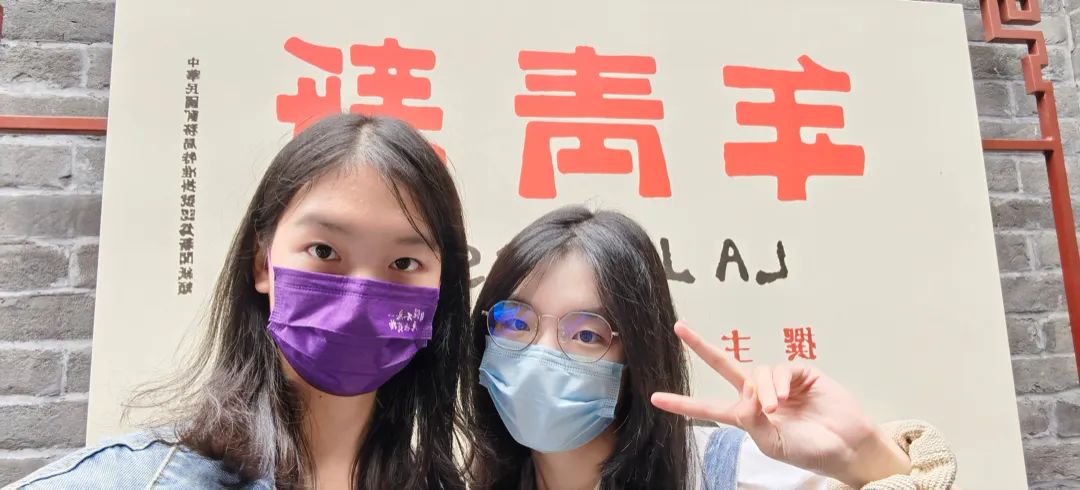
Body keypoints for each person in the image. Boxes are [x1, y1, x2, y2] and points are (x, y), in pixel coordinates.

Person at [10, 114, 471, 489]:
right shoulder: (128, 481)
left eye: (405, 262)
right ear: (262, 264)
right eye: (324, 251)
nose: (357, 304)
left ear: (441, 287)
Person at [462, 205, 956, 490]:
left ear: (637, 356)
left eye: (586, 334)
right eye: (516, 322)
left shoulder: (732, 473)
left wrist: (863, 458)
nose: (542, 355)